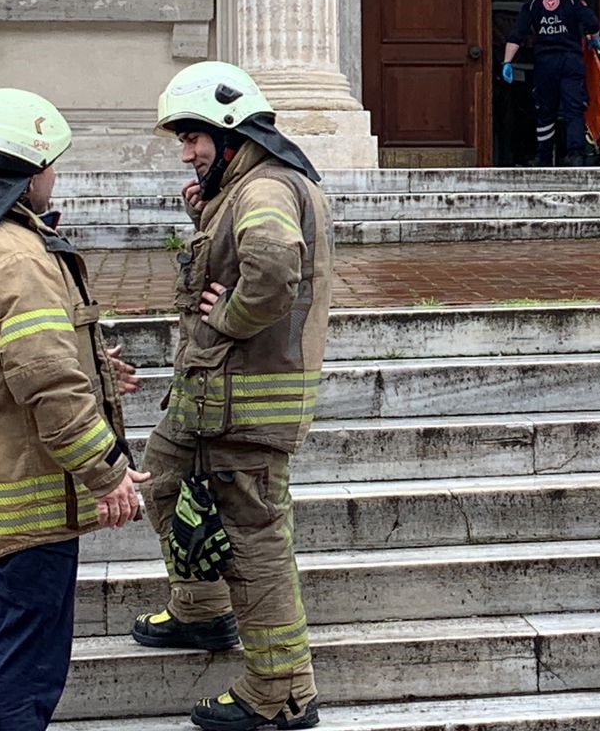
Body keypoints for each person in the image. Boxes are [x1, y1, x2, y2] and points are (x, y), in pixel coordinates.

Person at [0, 87, 147, 731]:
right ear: (29, 171)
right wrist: (107, 471)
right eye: (50, 166)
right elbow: (47, 381)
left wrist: (95, 366)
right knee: (25, 667)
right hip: (25, 506)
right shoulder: (17, 256)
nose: (52, 179)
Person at [133, 61, 334, 731]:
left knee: (254, 546)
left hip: (244, 406)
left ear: (229, 131)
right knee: (163, 478)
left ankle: (281, 692)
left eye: (193, 137)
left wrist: (227, 317)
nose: (186, 152)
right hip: (212, 397)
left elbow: (272, 270)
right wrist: (207, 212)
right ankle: (199, 608)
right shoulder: (246, 186)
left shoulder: (264, 188)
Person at [501, 0, 600, 166]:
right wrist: (594, 40)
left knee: (545, 110)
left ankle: (545, 157)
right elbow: (592, 24)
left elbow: (516, 36)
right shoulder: (573, 1)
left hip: (545, 64)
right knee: (573, 108)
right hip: (571, 61)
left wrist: (506, 63)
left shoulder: (532, 5)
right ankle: (576, 155)